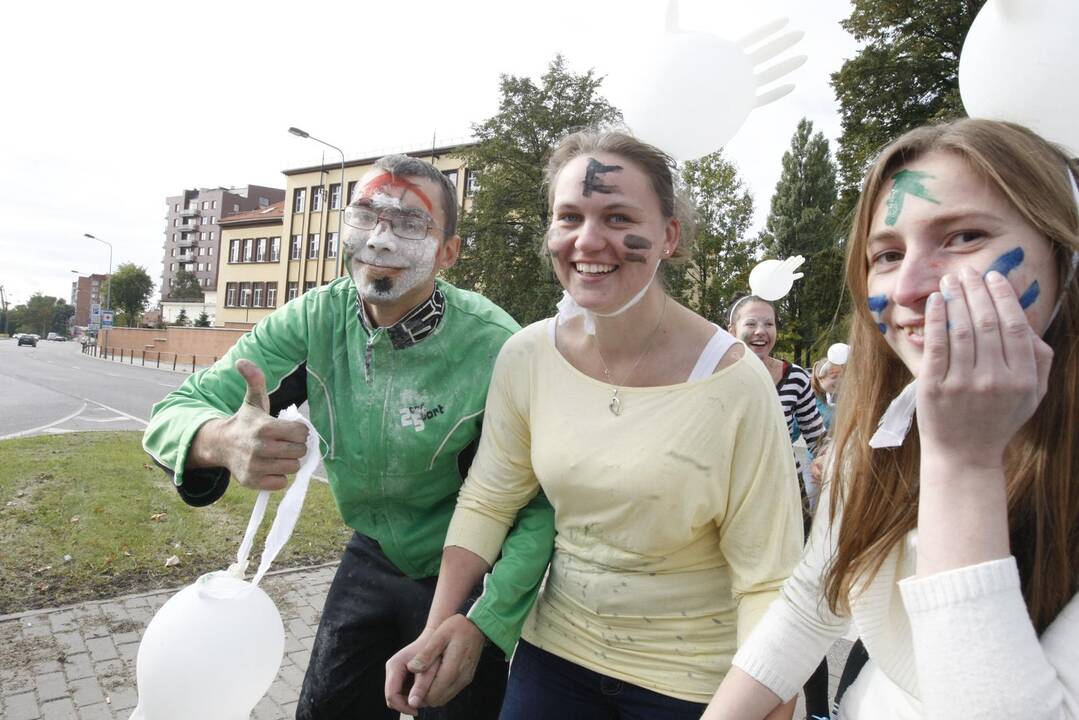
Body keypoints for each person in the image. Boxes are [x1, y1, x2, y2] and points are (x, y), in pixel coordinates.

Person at [384, 129, 804, 720]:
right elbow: (489, 499)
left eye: (617, 216)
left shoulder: (734, 383)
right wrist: (441, 627)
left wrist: (767, 704)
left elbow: (768, 578)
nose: (588, 239)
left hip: (693, 685)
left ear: (669, 236)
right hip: (553, 660)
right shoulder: (528, 357)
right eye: (569, 216)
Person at [142, 154, 555, 720]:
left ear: (448, 252)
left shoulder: (497, 347)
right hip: (372, 553)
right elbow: (175, 411)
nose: (380, 241)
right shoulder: (314, 318)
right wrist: (219, 440)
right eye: (365, 216)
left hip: (470, 574)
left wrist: (489, 620)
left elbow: (538, 505)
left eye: (411, 224)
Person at [703, 118, 1079, 718]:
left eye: (963, 237)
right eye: (887, 254)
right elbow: (811, 603)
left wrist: (963, 461)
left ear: (1065, 257)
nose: (907, 287)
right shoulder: (881, 438)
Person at [810, 357, 843, 432]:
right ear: (820, 379)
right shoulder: (810, 402)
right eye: (834, 377)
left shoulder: (846, 397)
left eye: (841, 376)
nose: (840, 381)